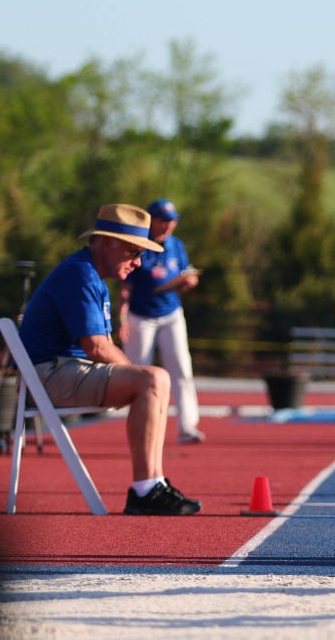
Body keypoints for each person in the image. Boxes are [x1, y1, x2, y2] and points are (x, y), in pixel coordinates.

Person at [19, 204, 201, 515]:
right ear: (109, 242)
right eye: (133, 251)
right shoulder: (81, 274)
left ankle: (152, 484)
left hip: (61, 370)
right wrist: (142, 377)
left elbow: (97, 349)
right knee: (154, 379)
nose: (138, 262)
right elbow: (97, 348)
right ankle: (146, 489)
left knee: (157, 378)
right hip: (50, 375)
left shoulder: (89, 273)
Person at [117, 199, 206, 445]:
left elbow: (187, 270)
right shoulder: (140, 246)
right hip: (141, 316)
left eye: (172, 220)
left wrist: (189, 281)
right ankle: (136, 428)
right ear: (151, 220)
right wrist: (121, 319)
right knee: (137, 372)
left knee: (181, 368)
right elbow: (125, 286)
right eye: (163, 220)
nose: (168, 225)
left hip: (171, 314)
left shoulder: (177, 245)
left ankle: (188, 426)